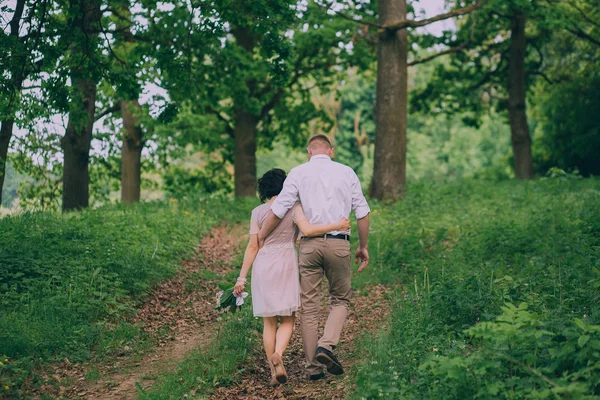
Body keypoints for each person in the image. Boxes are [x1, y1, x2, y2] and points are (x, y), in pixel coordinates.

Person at [258, 134, 370, 381]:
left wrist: (262, 235)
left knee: (309, 307)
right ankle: (326, 346)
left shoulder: (298, 173)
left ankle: (312, 369)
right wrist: (363, 246)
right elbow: (362, 212)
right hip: (339, 244)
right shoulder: (347, 172)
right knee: (340, 299)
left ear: (309, 151)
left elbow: (278, 210)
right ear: (331, 150)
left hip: (309, 247)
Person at [233, 168, 351, 386]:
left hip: (263, 264)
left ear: (265, 189)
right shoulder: (294, 207)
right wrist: (337, 225)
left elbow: (252, 246)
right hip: (285, 263)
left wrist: (241, 278)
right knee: (287, 319)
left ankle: (273, 370)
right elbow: (308, 230)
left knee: (269, 322)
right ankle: (279, 352)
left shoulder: (257, 212)